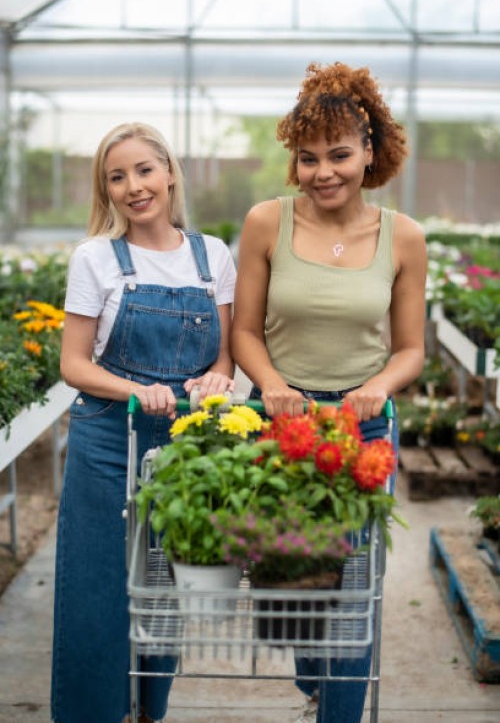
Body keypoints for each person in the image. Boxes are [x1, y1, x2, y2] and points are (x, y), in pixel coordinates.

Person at [231, 62, 427, 723]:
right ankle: (313, 684)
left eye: (340, 155)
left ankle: (339, 711)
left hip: (362, 423)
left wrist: (375, 387)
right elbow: (246, 332)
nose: (324, 172)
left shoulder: (403, 237)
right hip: (281, 418)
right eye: (308, 158)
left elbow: (410, 349)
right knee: (290, 586)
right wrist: (273, 384)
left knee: (354, 589)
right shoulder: (266, 223)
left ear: (370, 152)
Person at [51, 122, 236, 723]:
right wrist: (138, 389)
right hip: (108, 437)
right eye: (117, 177)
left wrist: (218, 378)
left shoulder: (213, 257)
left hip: (185, 445)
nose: (134, 187)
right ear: (105, 192)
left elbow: (227, 352)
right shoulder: (96, 258)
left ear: (170, 172)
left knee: (166, 589)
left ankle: (148, 711)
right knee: (95, 590)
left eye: (144, 170)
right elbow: (73, 364)